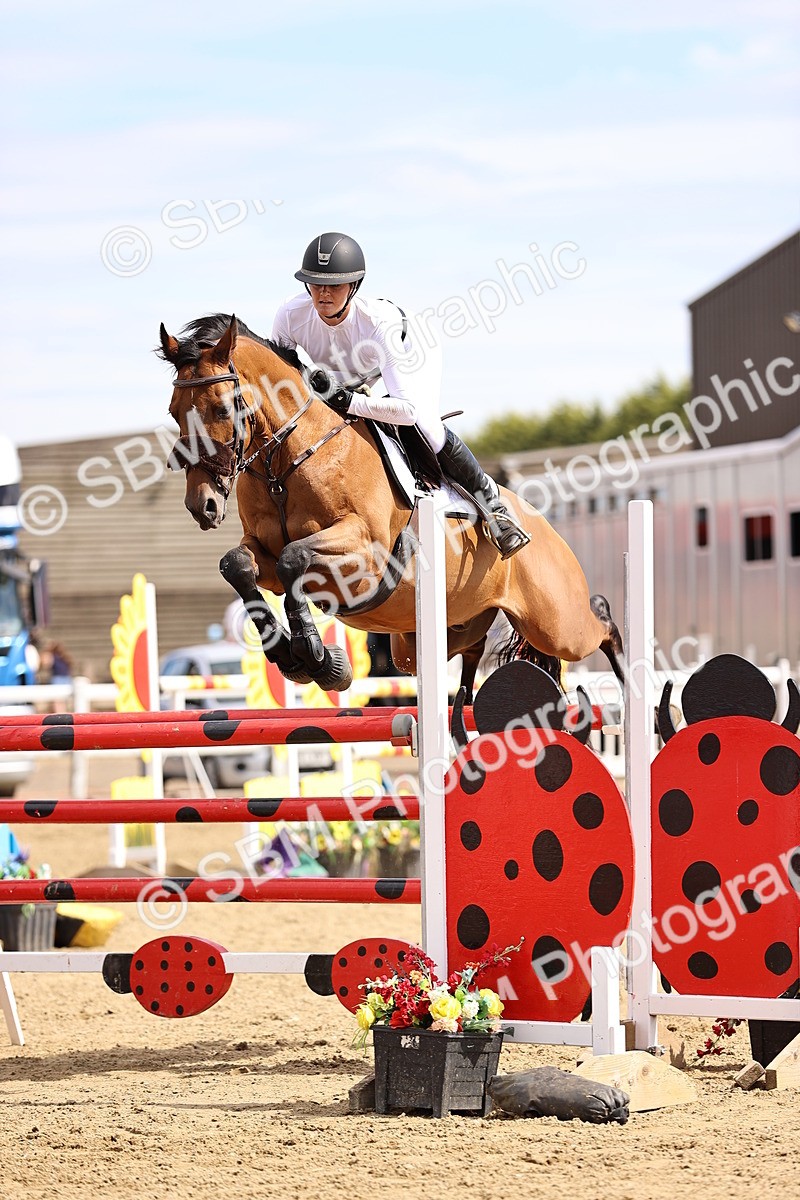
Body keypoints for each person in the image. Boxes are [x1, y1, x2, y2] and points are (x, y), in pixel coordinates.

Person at [271, 232, 530, 559]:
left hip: (411, 350)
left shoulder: (378, 323)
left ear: (353, 286)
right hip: (345, 370)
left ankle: (494, 505)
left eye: (334, 285)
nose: (323, 293)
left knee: (425, 425)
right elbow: (280, 374)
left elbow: (405, 410)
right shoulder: (289, 314)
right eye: (314, 284)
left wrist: (347, 401)